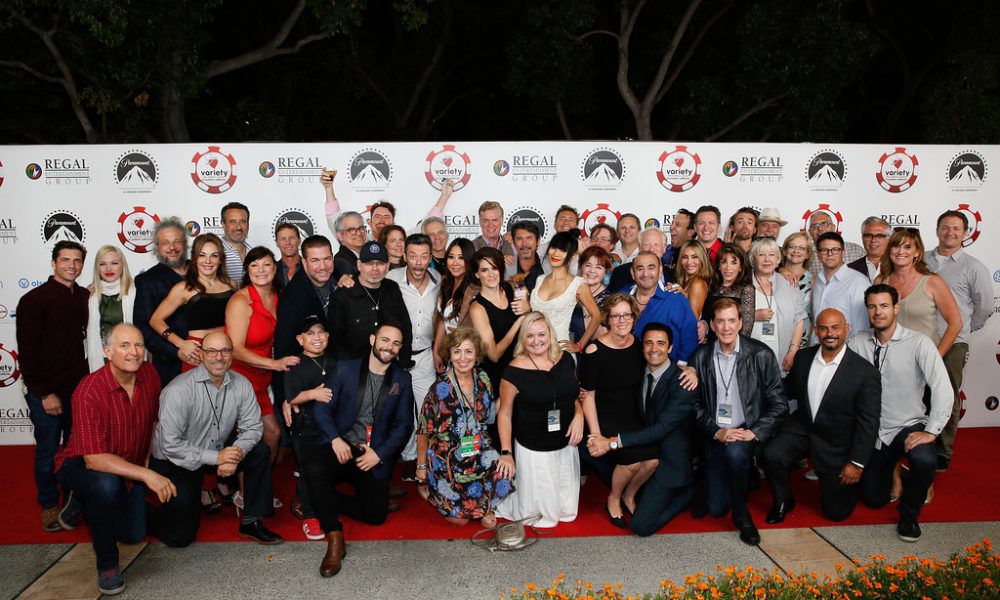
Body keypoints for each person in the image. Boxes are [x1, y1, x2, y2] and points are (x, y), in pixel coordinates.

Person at [54, 324, 175, 595]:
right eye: (124, 346)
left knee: (133, 534)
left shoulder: (150, 374)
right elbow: (94, 460)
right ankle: (107, 564)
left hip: (126, 464)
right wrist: (146, 474)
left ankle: (85, 501)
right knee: (105, 486)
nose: (134, 352)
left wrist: (146, 459)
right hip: (82, 463)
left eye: (139, 345)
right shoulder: (89, 390)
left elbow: (151, 421)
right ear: (107, 352)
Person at [148, 332, 283, 547]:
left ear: (232, 354)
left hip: (215, 448)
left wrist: (235, 454)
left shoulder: (242, 384)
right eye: (211, 351)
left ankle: (251, 521)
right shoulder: (178, 390)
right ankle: (141, 509)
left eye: (225, 351)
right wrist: (218, 458)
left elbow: (253, 427)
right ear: (201, 354)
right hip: (176, 460)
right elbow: (170, 445)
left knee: (260, 451)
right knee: (180, 537)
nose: (218, 357)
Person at [305, 323, 414, 577]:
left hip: (371, 454)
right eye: (385, 340)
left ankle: (317, 497)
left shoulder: (402, 379)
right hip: (342, 445)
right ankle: (335, 537)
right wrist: (335, 439)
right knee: (314, 466)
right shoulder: (345, 368)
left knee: (376, 516)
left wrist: (379, 454)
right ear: (373, 339)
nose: (389, 347)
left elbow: (404, 425)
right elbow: (322, 409)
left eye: (396, 343)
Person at [848, 284, 953, 542]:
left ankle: (909, 514)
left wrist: (931, 432)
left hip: (907, 427)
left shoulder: (919, 343)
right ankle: (901, 472)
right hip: (874, 434)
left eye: (884, 306)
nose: (878, 312)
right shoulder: (858, 342)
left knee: (924, 459)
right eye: (872, 306)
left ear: (896, 308)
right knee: (874, 499)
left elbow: (942, 388)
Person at [761, 309, 881, 524]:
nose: (829, 333)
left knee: (836, 513)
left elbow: (868, 423)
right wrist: (757, 386)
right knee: (771, 454)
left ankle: (857, 482)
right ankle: (783, 500)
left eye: (835, 327)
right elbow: (788, 388)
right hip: (802, 429)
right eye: (823, 328)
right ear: (816, 331)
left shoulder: (865, 373)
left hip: (836, 443)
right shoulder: (803, 358)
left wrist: (856, 463)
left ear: (847, 329)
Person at [689, 298, 789, 546]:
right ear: (712, 325)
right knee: (716, 509)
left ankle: (742, 517)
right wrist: (715, 431)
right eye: (720, 321)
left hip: (746, 431)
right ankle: (746, 474)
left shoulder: (761, 354)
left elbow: (780, 404)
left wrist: (754, 432)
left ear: (741, 323)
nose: (726, 327)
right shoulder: (700, 357)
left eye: (731, 321)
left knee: (735, 455)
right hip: (715, 434)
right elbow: (692, 406)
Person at [587, 322, 698, 537]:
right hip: (647, 453)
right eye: (648, 343)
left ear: (670, 348)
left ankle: (688, 492)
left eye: (661, 343)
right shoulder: (641, 371)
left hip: (668, 462)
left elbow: (661, 429)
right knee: (606, 459)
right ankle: (626, 495)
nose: (654, 349)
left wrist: (611, 442)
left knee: (641, 526)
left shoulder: (683, 383)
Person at [15, 240, 89, 532]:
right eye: (65, 260)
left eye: (77, 260)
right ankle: (48, 504)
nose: (71, 265)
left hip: (78, 391)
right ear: (54, 263)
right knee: (47, 452)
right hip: (45, 393)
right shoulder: (34, 300)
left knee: (75, 451)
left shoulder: (84, 296)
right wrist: (45, 394)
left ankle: (73, 502)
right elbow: (27, 353)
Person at [416, 327, 511, 528]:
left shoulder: (483, 378)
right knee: (459, 521)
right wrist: (421, 467)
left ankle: (484, 506)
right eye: (457, 351)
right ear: (449, 355)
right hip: (447, 457)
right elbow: (423, 429)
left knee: (503, 471)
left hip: (478, 448)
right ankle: (430, 489)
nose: (463, 358)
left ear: (477, 354)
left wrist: (509, 395)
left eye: (468, 351)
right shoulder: (439, 390)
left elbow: (489, 416)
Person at [495, 312, 583, 528]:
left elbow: (573, 394)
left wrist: (579, 415)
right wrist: (506, 453)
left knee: (566, 512)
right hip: (533, 446)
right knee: (543, 519)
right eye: (530, 336)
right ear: (523, 339)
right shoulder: (513, 372)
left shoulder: (566, 359)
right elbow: (504, 414)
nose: (536, 341)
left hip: (566, 442)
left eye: (541, 334)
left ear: (550, 334)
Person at [579, 294, 658, 528]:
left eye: (626, 315)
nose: (622, 320)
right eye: (615, 316)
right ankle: (613, 498)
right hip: (605, 417)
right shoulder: (594, 350)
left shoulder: (639, 346)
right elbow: (587, 395)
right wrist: (596, 434)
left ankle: (628, 495)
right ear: (608, 319)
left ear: (633, 318)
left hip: (633, 415)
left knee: (652, 461)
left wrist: (689, 371)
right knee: (631, 462)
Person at [925, 210, 994, 471]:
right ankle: (920, 444)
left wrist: (963, 331)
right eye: (945, 227)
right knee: (919, 394)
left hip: (953, 343)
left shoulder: (974, 267)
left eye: (956, 228)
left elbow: (985, 307)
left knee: (948, 395)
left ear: (965, 233)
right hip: (920, 341)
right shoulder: (921, 260)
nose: (950, 232)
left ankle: (942, 451)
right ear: (937, 230)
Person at [226, 247, 300, 464]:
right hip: (239, 378)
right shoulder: (241, 301)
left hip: (261, 378)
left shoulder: (278, 297)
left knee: (273, 435)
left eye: (266, 264)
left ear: (275, 268)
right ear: (247, 270)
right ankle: (246, 486)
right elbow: (235, 349)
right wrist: (274, 364)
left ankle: (260, 482)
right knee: (248, 439)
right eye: (254, 265)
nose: (261, 270)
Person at [386, 234, 441, 481]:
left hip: (425, 356)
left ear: (430, 257)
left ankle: (421, 460)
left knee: (426, 411)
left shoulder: (439, 281)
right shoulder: (391, 279)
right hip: (395, 358)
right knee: (397, 409)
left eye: (424, 256)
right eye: (413, 256)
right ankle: (406, 457)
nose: (418, 262)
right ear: (404, 256)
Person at [282, 315, 336, 541]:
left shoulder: (333, 360)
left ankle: (326, 505)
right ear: (300, 339)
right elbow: (292, 397)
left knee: (326, 469)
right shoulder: (295, 365)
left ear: (328, 336)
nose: (317, 337)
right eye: (310, 333)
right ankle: (310, 516)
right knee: (307, 471)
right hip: (306, 428)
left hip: (331, 427)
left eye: (321, 332)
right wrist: (314, 394)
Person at [150, 233, 236, 372]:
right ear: (195, 258)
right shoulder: (184, 288)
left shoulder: (231, 285)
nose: (208, 261)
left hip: (226, 351)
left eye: (214, 255)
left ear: (220, 259)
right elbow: (155, 320)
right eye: (202, 255)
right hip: (198, 353)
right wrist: (181, 343)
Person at [876, 229, 962, 358]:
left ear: (917, 252)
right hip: (888, 358)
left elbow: (956, 323)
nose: (900, 251)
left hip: (923, 358)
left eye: (907, 247)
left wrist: (935, 357)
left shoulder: (933, 282)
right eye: (896, 246)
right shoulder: (880, 281)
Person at [328, 241, 412, 366]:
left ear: (388, 265)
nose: (375, 268)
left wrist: (403, 362)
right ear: (359, 265)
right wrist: (349, 371)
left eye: (380, 263)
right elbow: (335, 340)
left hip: (390, 367)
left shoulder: (392, 288)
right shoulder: (342, 295)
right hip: (354, 369)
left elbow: (405, 328)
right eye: (369, 263)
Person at [468, 247, 530, 400]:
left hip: (523, 367)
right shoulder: (477, 308)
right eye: (484, 270)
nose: (491, 274)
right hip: (498, 375)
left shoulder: (511, 287)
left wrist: (528, 308)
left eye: (494, 268)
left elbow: (530, 314)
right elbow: (493, 355)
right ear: (477, 274)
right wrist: (519, 322)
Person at [320, 169, 453, 241]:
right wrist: (328, 188)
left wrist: (445, 196)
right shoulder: (359, 241)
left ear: (394, 223)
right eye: (377, 217)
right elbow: (334, 220)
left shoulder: (403, 240)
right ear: (369, 222)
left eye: (386, 217)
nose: (382, 220)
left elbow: (427, 225)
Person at [134, 216, 190, 385]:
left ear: (185, 244)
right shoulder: (148, 280)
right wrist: (175, 352)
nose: (172, 247)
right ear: (157, 246)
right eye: (165, 243)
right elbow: (143, 327)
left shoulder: (202, 269)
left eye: (177, 241)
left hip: (209, 359)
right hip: (171, 367)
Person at [530, 230, 602, 353]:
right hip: (534, 347)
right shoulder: (540, 280)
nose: (556, 253)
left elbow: (596, 316)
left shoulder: (578, 284)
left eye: (563, 250)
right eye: (553, 248)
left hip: (559, 350)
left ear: (572, 255)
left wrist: (579, 346)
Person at [631, 251, 699, 366]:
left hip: (667, 371)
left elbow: (690, 337)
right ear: (633, 273)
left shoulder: (676, 299)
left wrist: (682, 366)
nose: (645, 273)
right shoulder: (623, 296)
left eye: (651, 267)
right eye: (640, 268)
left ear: (660, 270)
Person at [749, 238, 806, 375]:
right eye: (761, 254)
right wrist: (752, 315)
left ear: (778, 259)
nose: (767, 259)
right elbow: (730, 316)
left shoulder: (789, 283)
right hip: (749, 357)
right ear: (753, 259)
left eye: (771, 254)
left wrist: (793, 352)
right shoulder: (743, 283)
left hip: (781, 355)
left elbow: (799, 319)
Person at [85, 245, 136, 372]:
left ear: (123, 265)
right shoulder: (89, 295)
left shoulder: (136, 293)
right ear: (97, 268)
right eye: (102, 264)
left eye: (114, 263)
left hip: (129, 356)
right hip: (100, 358)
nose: (108, 268)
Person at [811, 232, 869, 341]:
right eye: (824, 250)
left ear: (843, 253)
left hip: (846, 348)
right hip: (818, 347)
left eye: (835, 250)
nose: (830, 254)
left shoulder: (858, 282)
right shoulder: (817, 281)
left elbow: (862, 328)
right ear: (818, 254)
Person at [433, 238, 479, 370]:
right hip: (449, 354)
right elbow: (443, 319)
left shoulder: (475, 289)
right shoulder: (445, 283)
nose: (455, 263)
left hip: (467, 358)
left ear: (469, 260)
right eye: (451, 257)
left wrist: (458, 333)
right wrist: (436, 351)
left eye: (461, 258)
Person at [706, 243, 754, 338]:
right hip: (711, 343)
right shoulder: (712, 287)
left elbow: (746, 329)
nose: (728, 268)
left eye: (733, 262)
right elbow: (706, 319)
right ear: (719, 266)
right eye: (724, 262)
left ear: (740, 267)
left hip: (734, 344)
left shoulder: (746, 289)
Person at [569, 246, 612, 343]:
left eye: (598, 267)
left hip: (587, 349)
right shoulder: (570, 289)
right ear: (581, 267)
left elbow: (602, 338)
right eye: (588, 265)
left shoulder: (608, 301)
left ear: (605, 272)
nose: (592, 271)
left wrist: (586, 305)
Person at [779, 231, 814, 343]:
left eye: (802, 248)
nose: (796, 251)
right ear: (784, 251)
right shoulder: (773, 276)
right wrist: (779, 270)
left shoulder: (814, 280)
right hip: (776, 337)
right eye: (792, 246)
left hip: (802, 341)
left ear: (807, 254)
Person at [806, 211, 864, 279]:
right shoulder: (804, 255)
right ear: (810, 232)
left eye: (825, 224)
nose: (820, 228)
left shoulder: (856, 250)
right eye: (815, 226)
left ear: (833, 227)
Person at [674, 240, 712, 322]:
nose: (689, 262)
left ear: (702, 259)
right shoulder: (686, 282)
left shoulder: (697, 283)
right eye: (685, 257)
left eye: (695, 257)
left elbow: (692, 321)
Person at [505, 220, 545, 292]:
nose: (524, 244)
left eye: (529, 238)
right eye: (519, 239)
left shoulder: (550, 266)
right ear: (513, 242)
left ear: (538, 241)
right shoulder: (505, 266)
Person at [848, 217, 890, 283]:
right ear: (862, 238)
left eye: (879, 236)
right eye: (868, 236)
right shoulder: (849, 269)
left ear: (890, 238)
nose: (873, 240)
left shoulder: (899, 266)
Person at [220, 202, 252, 281]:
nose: (238, 227)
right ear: (223, 224)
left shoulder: (253, 253)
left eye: (242, 222)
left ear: (248, 225)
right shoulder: (215, 253)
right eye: (233, 222)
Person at [663, 209, 696, 281]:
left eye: (677, 225)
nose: (671, 227)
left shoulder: (697, 256)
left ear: (690, 232)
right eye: (672, 223)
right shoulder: (669, 252)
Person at [332, 211, 366, 279]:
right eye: (352, 230)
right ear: (340, 236)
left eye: (361, 228)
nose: (359, 233)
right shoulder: (341, 263)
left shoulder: (369, 255)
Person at [274, 222, 302, 287]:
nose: (287, 242)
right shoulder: (272, 270)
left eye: (291, 238)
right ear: (277, 243)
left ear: (299, 240)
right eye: (283, 239)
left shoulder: (310, 267)